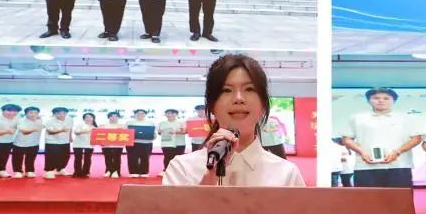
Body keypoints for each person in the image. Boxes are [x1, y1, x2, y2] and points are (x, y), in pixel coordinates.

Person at [162, 53, 305, 186]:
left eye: (249, 89)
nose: (238, 98)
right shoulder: (182, 168)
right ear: (211, 105)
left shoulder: (286, 174)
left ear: (263, 103)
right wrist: (209, 178)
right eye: (226, 90)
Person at [342, 88, 422, 189]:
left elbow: (416, 138)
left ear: (394, 100)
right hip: (365, 166)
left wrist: (397, 152)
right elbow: (347, 138)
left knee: (399, 197)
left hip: (399, 165)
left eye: (386, 98)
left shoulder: (406, 118)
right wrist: (362, 152)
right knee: (366, 197)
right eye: (376, 98)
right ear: (368, 100)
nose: (381, 100)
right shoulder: (356, 118)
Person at [9, 106, 44, 178]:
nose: (33, 114)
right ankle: (18, 171)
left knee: (31, 158)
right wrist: (35, 129)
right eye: (31, 113)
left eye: (36, 113)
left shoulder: (40, 120)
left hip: (34, 143)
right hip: (19, 143)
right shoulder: (20, 121)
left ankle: (29, 171)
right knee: (17, 158)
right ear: (26, 113)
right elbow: (24, 131)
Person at [42, 107, 72, 179]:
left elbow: (70, 128)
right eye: (59, 113)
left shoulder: (69, 119)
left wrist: (70, 137)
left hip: (65, 141)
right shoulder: (49, 121)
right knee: (52, 157)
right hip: (52, 141)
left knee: (65, 156)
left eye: (64, 113)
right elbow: (50, 132)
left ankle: (60, 169)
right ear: (54, 114)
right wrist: (61, 130)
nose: (62, 115)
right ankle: (49, 171)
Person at [126, 109, 155, 177]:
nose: (140, 115)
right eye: (138, 113)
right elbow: (125, 132)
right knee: (132, 158)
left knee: (145, 157)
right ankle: (133, 172)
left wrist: (153, 136)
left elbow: (154, 134)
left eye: (142, 113)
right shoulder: (129, 123)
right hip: (132, 143)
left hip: (147, 143)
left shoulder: (150, 123)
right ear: (135, 114)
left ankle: (144, 172)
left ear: (145, 114)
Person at [100, 111, 127, 178]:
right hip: (106, 145)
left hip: (118, 145)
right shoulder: (103, 125)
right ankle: (108, 171)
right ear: (109, 117)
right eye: (112, 116)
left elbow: (126, 135)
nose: (114, 118)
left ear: (118, 117)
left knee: (117, 158)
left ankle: (116, 171)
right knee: (108, 158)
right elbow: (100, 134)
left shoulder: (122, 126)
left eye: (116, 116)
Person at [71, 111, 97, 178]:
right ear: (84, 119)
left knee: (87, 159)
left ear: (93, 118)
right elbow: (76, 132)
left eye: (90, 117)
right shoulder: (80, 125)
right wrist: (86, 131)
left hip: (89, 145)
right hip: (78, 144)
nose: (88, 118)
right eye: (86, 117)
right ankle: (77, 172)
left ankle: (86, 172)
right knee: (78, 159)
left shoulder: (95, 127)